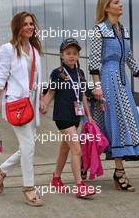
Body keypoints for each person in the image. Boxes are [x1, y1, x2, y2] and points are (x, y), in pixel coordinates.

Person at [89, 0, 139, 192]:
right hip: (108, 80)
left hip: (123, 81)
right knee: (110, 123)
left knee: (123, 123)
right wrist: (97, 85)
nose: (121, 5)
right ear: (107, 7)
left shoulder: (123, 29)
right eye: (116, 2)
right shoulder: (100, 30)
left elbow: (130, 58)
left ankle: (117, 171)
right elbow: (93, 61)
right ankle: (99, 167)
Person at [0, 11, 44, 206]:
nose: (29, 27)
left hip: (32, 105)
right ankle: (29, 188)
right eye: (25, 24)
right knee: (29, 146)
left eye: (31, 23)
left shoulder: (35, 50)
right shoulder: (8, 49)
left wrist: (43, 100)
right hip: (16, 104)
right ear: (17, 28)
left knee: (27, 146)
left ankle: (2, 170)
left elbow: (37, 80)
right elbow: (1, 78)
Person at [41, 38, 96, 198]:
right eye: (68, 53)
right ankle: (80, 186)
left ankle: (56, 178)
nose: (72, 56)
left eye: (75, 53)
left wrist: (89, 116)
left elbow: (83, 95)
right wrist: (43, 105)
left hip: (76, 116)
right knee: (76, 149)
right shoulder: (57, 73)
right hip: (63, 116)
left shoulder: (79, 73)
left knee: (65, 149)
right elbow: (51, 92)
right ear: (62, 55)